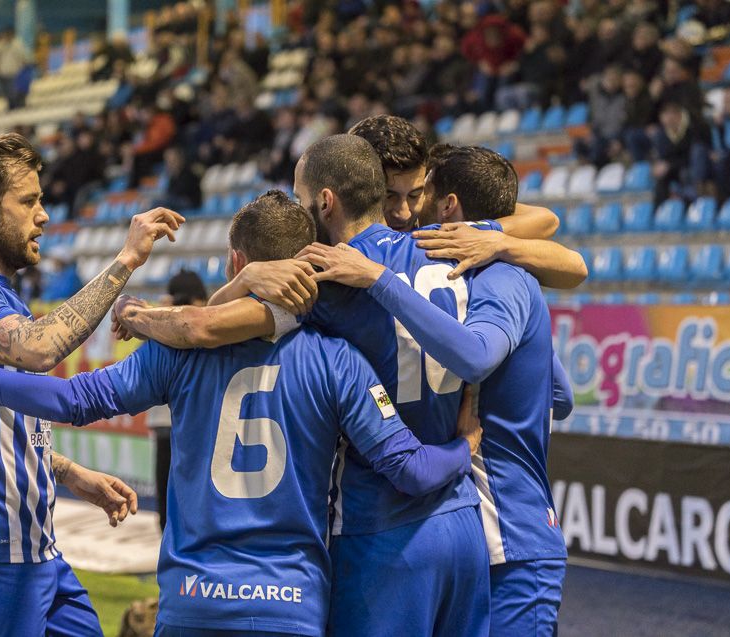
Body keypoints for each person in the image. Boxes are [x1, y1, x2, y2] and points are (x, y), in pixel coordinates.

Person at [0, 189, 484, 637]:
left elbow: (70, 400)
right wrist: (465, 445)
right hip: (290, 604)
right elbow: (410, 469)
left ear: (236, 261)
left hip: (193, 602)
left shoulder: (175, 351)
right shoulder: (340, 360)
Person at [115, 136, 495, 637]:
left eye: (300, 197)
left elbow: (206, 327)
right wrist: (509, 242)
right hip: (467, 519)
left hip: (381, 528)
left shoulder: (322, 278)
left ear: (326, 200)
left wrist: (137, 313)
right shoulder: (458, 249)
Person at [0, 132, 184, 636]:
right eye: (28, 201)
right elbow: (38, 349)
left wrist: (67, 471)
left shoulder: (2, 296)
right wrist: (125, 259)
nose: (44, 215)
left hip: (33, 547)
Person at [298, 145, 573, 636]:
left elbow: (477, 355)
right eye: (394, 196)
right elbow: (562, 394)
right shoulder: (483, 271)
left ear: (447, 205)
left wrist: (379, 278)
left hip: (492, 526)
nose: (406, 212)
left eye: (418, 196)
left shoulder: (493, 274)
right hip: (476, 524)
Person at [348, 115, 587, 289]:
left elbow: (553, 229)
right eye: (388, 196)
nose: (404, 213)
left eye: (414, 195)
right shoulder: (334, 242)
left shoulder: (448, 240)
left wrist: (491, 238)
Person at [149, 269, 208, 532]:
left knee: (192, 497)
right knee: (167, 498)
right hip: (167, 424)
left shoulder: (210, 325)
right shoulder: (159, 324)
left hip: (194, 425)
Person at [0, 27, 31, 109]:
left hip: (14, 72)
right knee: (6, 92)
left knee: (13, 91)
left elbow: (24, 55)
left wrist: (26, 63)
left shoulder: (17, 43)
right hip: (2, 73)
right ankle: (12, 105)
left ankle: (17, 105)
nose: (7, 36)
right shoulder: (0, 44)